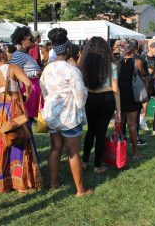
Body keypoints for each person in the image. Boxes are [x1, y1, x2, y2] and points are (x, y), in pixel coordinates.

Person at [40, 28, 92, 196]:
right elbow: (81, 94)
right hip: (69, 117)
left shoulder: (47, 69)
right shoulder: (72, 70)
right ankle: (80, 190)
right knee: (73, 152)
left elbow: (44, 91)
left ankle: (53, 184)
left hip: (52, 116)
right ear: (68, 49)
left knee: (55, 149)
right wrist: (79, 106)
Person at [0, 45, 43, 193]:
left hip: (0, 111)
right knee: (21, 141)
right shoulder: (13, 68)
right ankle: (22, 181)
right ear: (1, 55)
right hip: (15, 108)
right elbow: (28, 84)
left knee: (3, 144)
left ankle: (2, 180)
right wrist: (27, 95)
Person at [80, 37, 121, 173]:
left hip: (90, 98)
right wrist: (118, 110)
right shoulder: (111, 66)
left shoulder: (85, 63)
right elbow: (115, 89)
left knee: (90, 130)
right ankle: (97, 165)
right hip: (106, 98)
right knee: (101, 133)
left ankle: (84, 162)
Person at [117, 40, 148, 158]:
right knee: (132, 124)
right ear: (133, 49)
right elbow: (144, 76)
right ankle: (135, 152)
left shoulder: (118, 62)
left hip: (120, 94)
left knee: (120, 123)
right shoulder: (137, 61)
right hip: (132, 94)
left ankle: (120, 150)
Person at [10, 26, 42, 121]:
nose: (34, 41)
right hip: (26, 90)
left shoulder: (25, 54)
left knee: (29, 120)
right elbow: (13, 73)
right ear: (23, 41)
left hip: (31, 90)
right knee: (26, 120)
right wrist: (34, 73)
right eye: (31, 39)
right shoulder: (18, 55)